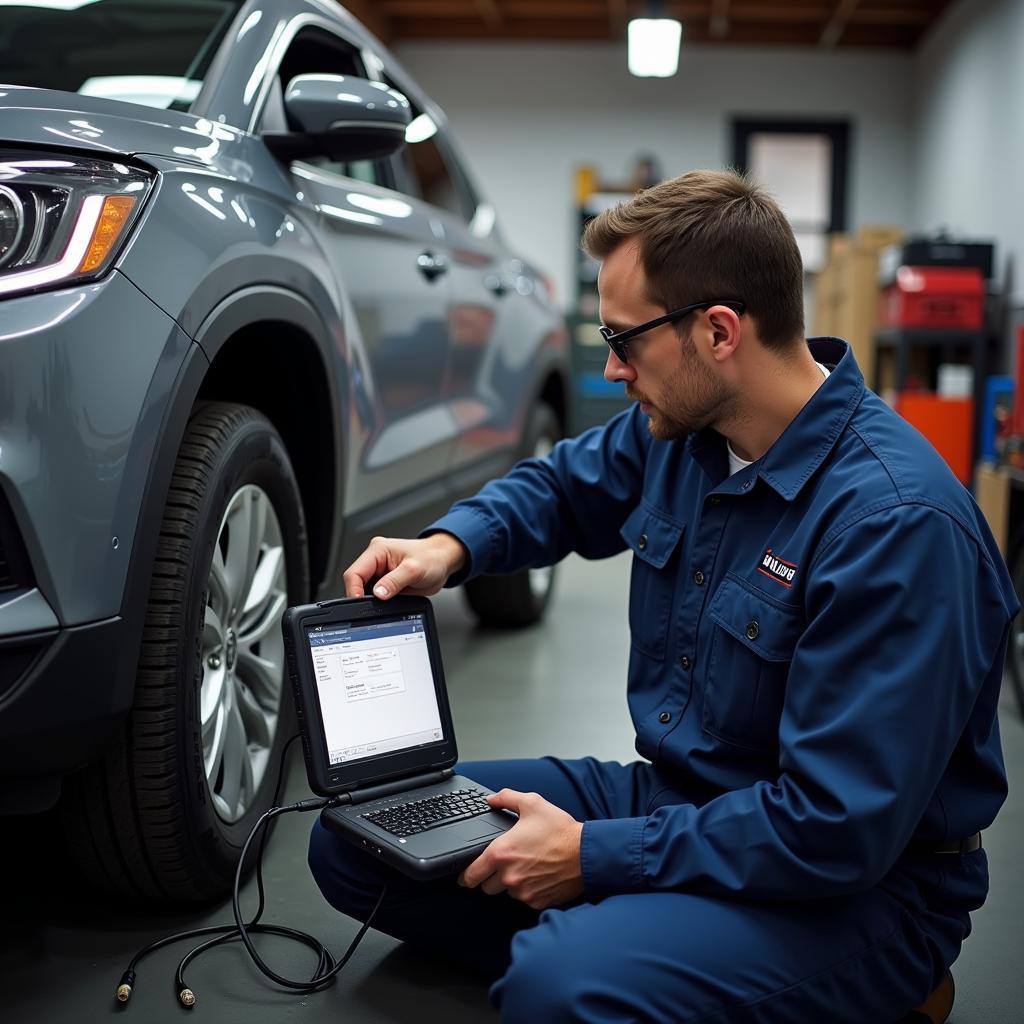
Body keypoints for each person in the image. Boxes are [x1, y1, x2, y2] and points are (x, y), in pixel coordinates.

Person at [308, 169, 1018, 1023]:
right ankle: (655, 948)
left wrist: (595, 858)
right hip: (681, 802)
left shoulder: (897, 527)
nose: (612, 370)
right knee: (368, 840)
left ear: (718, 331)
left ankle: (852, 982)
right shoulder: (690, 432)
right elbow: (565, 488)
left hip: (860, 886)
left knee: (556, 989)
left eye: (625, 341)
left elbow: (834, 828)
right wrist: (447, 547)